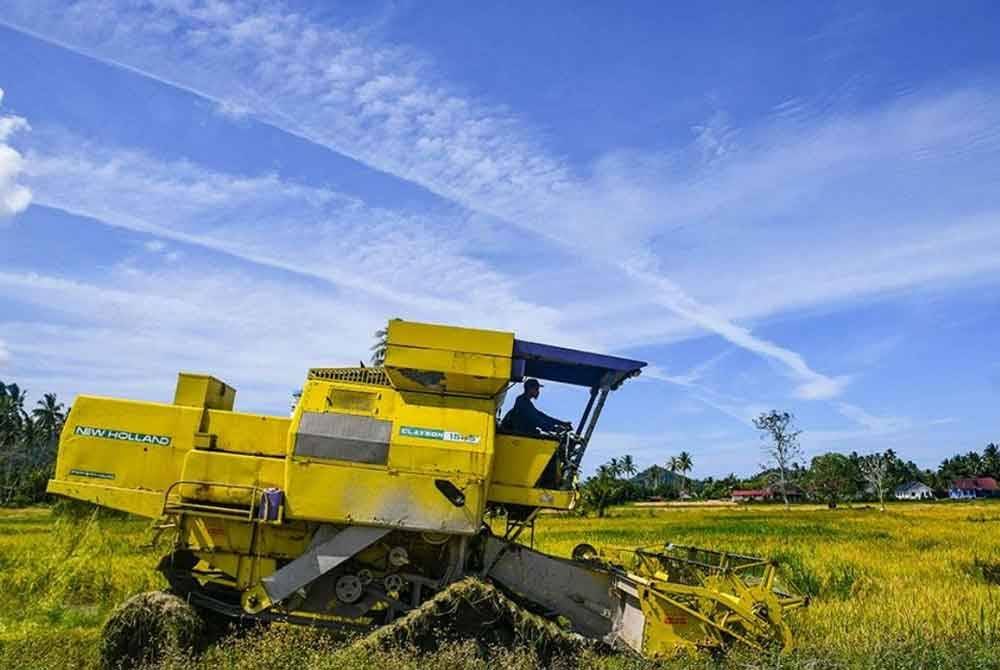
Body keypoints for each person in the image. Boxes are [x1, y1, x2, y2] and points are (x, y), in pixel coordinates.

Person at [499, 379, 572, 437]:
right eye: (536, 389)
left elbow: (541, 416)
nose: (538, 392)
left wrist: (562, 423)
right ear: (530, 389)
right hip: (518, 435)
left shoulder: (526, 402)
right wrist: (554, 429)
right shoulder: (522, 401)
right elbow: (536, 419)